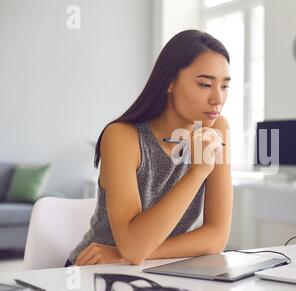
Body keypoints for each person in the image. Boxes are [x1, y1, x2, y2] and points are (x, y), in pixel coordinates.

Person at [65, 30, 232, 266]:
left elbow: (216, 237)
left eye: (224, 86)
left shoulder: (217, 130)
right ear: (170, 83)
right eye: (205, 84)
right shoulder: (122, 137)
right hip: (93, 269)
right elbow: (133, 246)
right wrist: (198, 172)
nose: (218, 98)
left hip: (151, 267)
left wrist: (127, 254)